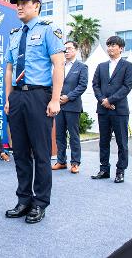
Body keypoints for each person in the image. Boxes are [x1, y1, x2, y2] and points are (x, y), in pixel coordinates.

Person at [4, 0, 65, 224]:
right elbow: (9, 69)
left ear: (36, 5)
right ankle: (23, 199)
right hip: (18, 97)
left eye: (24, 3)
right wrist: (9, 98)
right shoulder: (15, 34)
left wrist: (54, 99)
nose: (19, 6)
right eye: (17, 3)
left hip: (39, 96)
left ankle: (40, 203)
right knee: (19, 152)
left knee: (41, 153)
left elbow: (58, 65)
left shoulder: (48, 30)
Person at [91, 36, 132, 183]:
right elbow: (95, 85)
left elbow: (127, 87)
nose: (110, 48)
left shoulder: (128, 66)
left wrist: (110, 100)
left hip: (119, 110)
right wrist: (103, 100)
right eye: (108, 45)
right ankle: (104, 169)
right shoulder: (101, 66)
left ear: (121, 48)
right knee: (103, 140)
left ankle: (120, 171)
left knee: (122, 142)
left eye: (113, 45)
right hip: (103, 109)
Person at [52, 41, 88, 174]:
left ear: (76, 50)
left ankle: (75, 163)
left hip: (72, 105)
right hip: (58, 105)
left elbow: (82, 86)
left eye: (69, 48)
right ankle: (61, 161)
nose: (66, 51)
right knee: (59, 135)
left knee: (74, 135)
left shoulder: (82, 67)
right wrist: (56, 98)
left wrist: (68, 97)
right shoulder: (58, 66)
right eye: (64, 49)